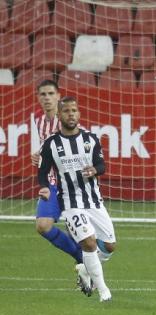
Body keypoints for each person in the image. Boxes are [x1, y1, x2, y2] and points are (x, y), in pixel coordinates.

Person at [38, 97, 116, 302]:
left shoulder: (91, 139)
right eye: (66, 111)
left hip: (94, 201)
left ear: (79, 114)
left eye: (74, 110)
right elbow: (42, 172)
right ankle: (103, 290)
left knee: (109, 246)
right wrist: (45, 188)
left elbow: (102, 165)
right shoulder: (51, 144)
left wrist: (94, 170)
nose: (71, 114)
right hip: (70, 203)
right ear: (59, 115)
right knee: (89, 243)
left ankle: (84, 268)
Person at [30, 79, 89, 295]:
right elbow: (50, 149)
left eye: (50, 94)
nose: (46, 98)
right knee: (43, 226)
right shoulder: (39, 122)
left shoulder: (69, 120)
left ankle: (87, 271)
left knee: (82, 235)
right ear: (38, 98)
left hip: (73, 186)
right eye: (42, 94)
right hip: (52, 184)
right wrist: (39, 155)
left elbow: (84, 146)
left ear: (58, 96)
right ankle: (81, 259)